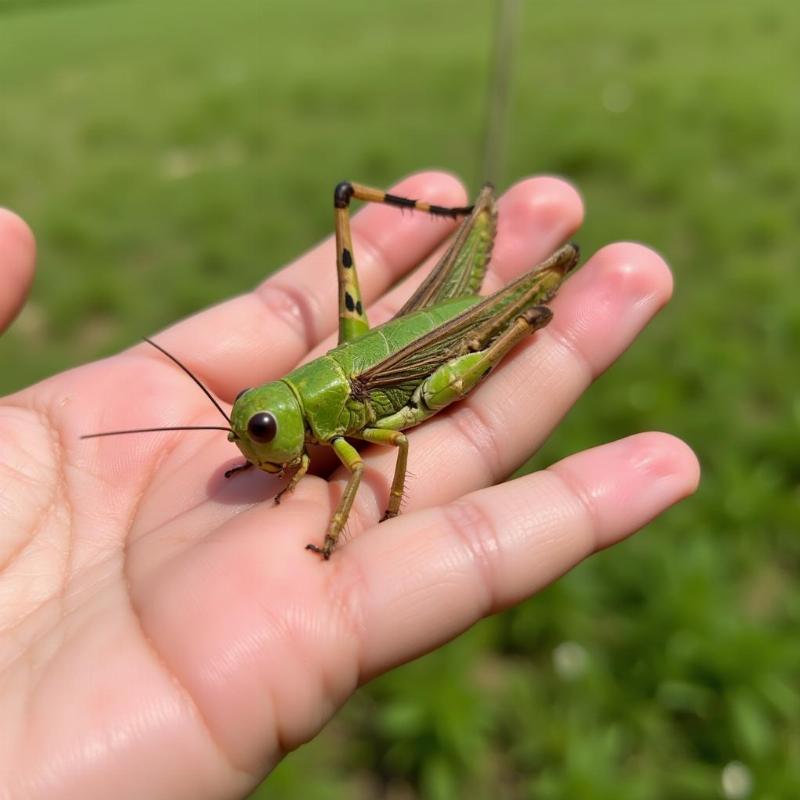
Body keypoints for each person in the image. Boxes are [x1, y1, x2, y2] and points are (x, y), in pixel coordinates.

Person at [0, 173, 699, 799]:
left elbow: (371, 456)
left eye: (261, 433)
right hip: (387, 347)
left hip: (420, 366)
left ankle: (504, 281)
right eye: (256, 432)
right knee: (387, 322)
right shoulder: (292, 417)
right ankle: (477, 229)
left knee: (486, 343)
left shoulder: (340, 433)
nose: (254, 441)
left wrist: (361, 520)